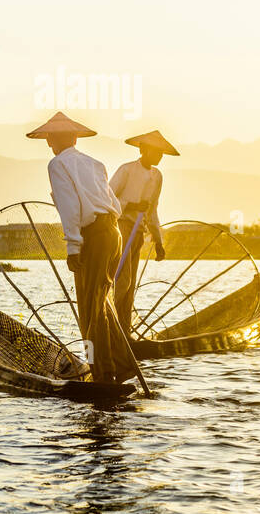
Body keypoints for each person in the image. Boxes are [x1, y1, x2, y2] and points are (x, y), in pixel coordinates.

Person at [26, 111, 140, 384]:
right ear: (75, 138)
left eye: (51, 139)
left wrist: (73, 248)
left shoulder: (57, 165)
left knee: (92, 307)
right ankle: (120, 365)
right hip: (113, 234)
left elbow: (69, 207)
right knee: (102, 301)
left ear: (50, 141)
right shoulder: (95, 163)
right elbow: (117, 205)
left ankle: (103, 373)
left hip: (95, 238)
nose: (50, 144)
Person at [110, 129, 179, 335]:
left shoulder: (157, 176)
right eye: (155, 152)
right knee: (122, 280)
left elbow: (152, 209)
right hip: (121, 228)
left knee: (130, 286)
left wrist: (158, 241)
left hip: (138, 233)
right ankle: (111, 326)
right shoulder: (127, 170)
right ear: (143, 150)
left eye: (161, 153)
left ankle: (124, 329)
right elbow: (107, 199)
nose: (159, 157)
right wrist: (130, 205)